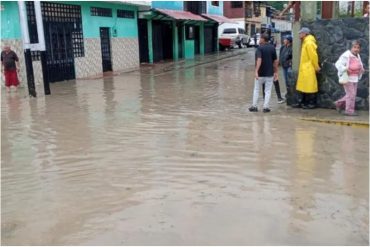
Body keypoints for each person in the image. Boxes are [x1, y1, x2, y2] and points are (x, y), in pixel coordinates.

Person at [249, 34, 278, 113]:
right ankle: (266, 107)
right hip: (269, 74)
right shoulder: (272, 48)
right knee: (268, 91)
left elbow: (259, 60)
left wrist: (256, 71)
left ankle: (254, 106)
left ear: (263, 39)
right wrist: (276, 72)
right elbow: (275, 61)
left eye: (260, 38)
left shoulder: (259, 48)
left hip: (260, 74)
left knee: (256, 89)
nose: (259, 39)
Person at [292, 27, 320, 109]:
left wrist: (316, 67)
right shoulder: (305, 42)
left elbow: (313, 56)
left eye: (300, 33)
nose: (299, 34)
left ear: (305, 34)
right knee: (304, 86)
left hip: (308, 68)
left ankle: (311, 103)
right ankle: (303, 102)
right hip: (305, 68)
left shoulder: (309, 43)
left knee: (309, 86)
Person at [334, 40, 364, 116]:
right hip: (347, 78)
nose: (356, 49)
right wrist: (345, 68)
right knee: (351, 94)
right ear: (351, 47)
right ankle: (349, 111)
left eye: (358, 48)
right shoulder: (346, 55)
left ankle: (338, 103)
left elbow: (359, 65)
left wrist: (361, 69)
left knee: (351, 94)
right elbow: (338, 64)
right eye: (354, 47)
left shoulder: (357, 55)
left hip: (355, 78)